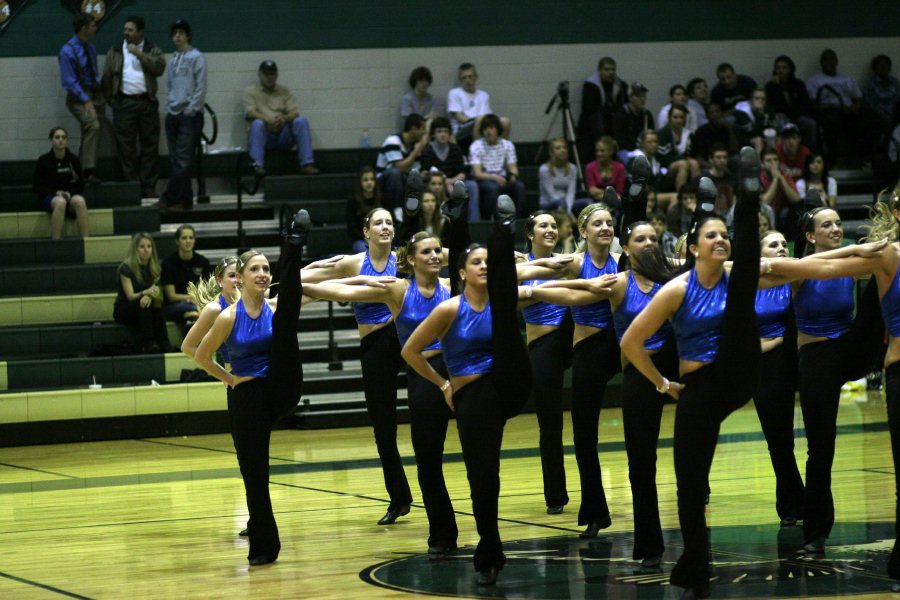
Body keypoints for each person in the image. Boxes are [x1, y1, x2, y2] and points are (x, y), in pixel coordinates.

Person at [620, 148, 764, 598]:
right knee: (689, 482)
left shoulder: (739, 274)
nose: (721, 241)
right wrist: (662, 383)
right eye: (712, 236)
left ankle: (748, 191)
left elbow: (795, 265)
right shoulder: (675, 289)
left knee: (742, 291)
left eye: (726, 235)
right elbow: (630, 343)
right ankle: (694, 561)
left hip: (737, 373)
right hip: (699, 385)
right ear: (694, 246)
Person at [303, 228, 465, 558]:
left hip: (458, 370)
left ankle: (482, 534)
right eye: (427, 252)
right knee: (419, 453)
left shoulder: (452, 286)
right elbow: (337, 288)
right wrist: (298, 278)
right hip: (412, 364)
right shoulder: (390, 284)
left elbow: (507, 279)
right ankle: (433, 525)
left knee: (477, 456)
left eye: (438, 251)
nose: (435, 256)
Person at [402, 197, 531, 586]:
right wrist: (442, 383)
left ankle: (502, 228)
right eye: (477, 261)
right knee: (484, 476)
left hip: (508, 381)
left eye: (490, 261)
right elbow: (410, 351)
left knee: (507, 310)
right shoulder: (449, 309)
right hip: (473, 396)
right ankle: (489, 551)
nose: (484, 266)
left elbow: (557, 289)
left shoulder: (505, 299)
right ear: (461, 271)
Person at [193, 211, 311, 566]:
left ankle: (294, 245)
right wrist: (229, 379)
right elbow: (201, 354)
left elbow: (308, 289)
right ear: (240, 279)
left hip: (281, 386)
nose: (262, 274)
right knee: (255, 473)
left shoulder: (277, 308)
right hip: (247, 396)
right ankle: (264, 546)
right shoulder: (228, 316)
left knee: (288, 317)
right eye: (255, 269)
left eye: (266, 269)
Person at [303, 208, 412, 524]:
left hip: (404, 337)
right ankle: (399, 498)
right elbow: (311, 279)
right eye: (378, 222)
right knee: (382, 425)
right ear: (366, 232)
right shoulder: (354, 262)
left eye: (389, 222)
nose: (385, 227)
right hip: (374, 346)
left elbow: (451, 259)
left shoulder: (405, 259)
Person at [101, 15, 166, 198]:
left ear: (140, 32)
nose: (126, 33)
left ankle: (148, 187)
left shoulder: (152, 49)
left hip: (146, 102)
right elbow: (106, 78)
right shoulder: (115, 51)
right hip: (124, 103)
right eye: (125, 30)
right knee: (126, 148)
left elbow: (159, 68)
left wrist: (139, 54)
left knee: (149, 147)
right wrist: (112, 101)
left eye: (130, 30)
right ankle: (132, 185)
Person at [157, 19, 207, 212]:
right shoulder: (173, 59)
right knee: (176, 160)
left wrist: (191, 110)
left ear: (188, 35)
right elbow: (169, 86)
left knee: (183, 160)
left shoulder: (197, 57)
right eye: (174, 33)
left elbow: (201, 87)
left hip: (190, 115)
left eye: (181, 32)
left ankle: (169, 198)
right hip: (173, 114)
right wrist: (171, 107)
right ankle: (185, 200)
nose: (177, 36)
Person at [243, 60, 318, 177]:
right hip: (265, 135)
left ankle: (307, 164)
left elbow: (294, 113)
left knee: (301, 122)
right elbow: (250, 113)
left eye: (272, 74)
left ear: (277, 75)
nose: (269, 77)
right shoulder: (251, 91)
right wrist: (267, 119)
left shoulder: (284, 91)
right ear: (259, 74)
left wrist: (284, 118)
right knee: (257, 124)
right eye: (266, 74)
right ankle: (257, 165)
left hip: (283, 134)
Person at [59, 12, 103, 185]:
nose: (95, 28)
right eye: (93, 25)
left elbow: (93, 72)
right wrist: (86, 100)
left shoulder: (90, 48)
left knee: (88, 132)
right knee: (93, 125)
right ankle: (89, 170)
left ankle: (79, 171)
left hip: (93, 93)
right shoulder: (67, 51)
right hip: (78, 97)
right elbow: (69, 82)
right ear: (83, 28)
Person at [113, 232, 169, 353]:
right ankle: (149, 343)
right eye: (142, 247)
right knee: (144, 304)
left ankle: (164, 343)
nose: (146, 250)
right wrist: (145, 293)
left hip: (144, 304)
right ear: (135, 249)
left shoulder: (155, 268)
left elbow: (157, 291)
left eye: (149, 246)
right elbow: (130, 296)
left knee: (156, 306)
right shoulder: (126, 268)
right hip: (124, 308)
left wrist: (148, 295)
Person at [32, 126, 90, 239]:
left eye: (63, 137)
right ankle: (56, 241)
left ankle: (86, 240)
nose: (60, 140)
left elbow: (80, 184)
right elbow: (36, 186)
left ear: (67, 140)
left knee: (80, 201)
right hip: (50, 198)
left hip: (69, 197)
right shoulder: (43, 161)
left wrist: (70, 193)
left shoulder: (73, 160)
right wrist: (55, 192)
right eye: (57, 137)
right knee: (60, 202)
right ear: (51, 140)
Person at [419, 117, 479, 220]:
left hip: (454, 180)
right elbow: (426, 172)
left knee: (472, 186)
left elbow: (463, 172)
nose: (443, 134)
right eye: (439, 131)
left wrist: (452, 182)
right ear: (433, 134)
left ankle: (474, 221)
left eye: (446, 131)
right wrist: (445, 183)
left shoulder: (455, 149)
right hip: (436, 182)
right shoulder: (428, 149)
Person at [469, 114, 525, 218]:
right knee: (493, 188)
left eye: (491, 128)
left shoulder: (507, 145)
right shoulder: (476, 146)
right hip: (485, 179)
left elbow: (513, 168)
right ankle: (491, 220)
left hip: (502, 177)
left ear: (497, 129)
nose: (488, 131)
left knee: (519, 186)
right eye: (485, 128)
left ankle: (517, 220)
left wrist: (512, 177)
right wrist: (495, 178)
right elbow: (477, 173)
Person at [376, 114, 428, 221]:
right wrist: (416, 152)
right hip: (383, 180)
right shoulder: (393, 141)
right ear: (413, 129)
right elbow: (400, 168)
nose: (424, 132)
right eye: (422, 129)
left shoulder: (415, 144)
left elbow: (414, 169)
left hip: (402, 178)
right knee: (395, 173)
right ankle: (396, 208)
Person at [160, 224, 211, 330]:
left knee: (196, 314)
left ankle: (191, 320)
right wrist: (190, 298)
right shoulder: (168, 263)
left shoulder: (203, 262)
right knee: (195, 309)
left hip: (198, 304)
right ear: (177, 241)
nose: (188, 241)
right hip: (173, 307)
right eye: (184, 238)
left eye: (191, 238)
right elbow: (171, 296)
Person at [578, 57, 629, 159]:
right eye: (607, 69)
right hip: (594, 122)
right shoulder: (590, 85)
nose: (610, 72)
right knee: (598, 118)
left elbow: (623, 106)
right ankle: (603, 147)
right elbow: (590, 109)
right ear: (599, 70)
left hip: (612, 119)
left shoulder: (621, 85)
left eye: (613, 69)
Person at [765, 55, 817, 151]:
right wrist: (777, 87)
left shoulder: (799, 84)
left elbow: (805, 104)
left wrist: (793, 115)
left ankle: (811, 154)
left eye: (784, 68)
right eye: (778, 68)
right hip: (780, 117)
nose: (780, 70)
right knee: (780, 120)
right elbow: (771, 106)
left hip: (798, 116)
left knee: (810, 123)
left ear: (790, 69)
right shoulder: (770, 86)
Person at [447, 62, 510, 142]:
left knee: (505, 121)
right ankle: (477, 150)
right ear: (460, 80)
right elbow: (460, 118)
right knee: (480, 119)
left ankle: (501, 150)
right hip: (461, 128)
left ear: (476, 77)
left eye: (470, 77)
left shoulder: (484, 95)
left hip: (482, 124)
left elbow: (487, 116)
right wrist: (477, 121)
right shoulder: (454, 93)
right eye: (464, 78)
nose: (467, 80)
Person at [657, 105, 702, 193]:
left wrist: (684, 158)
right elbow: (664, 158)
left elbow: (690, 154)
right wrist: (682, 158)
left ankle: (697, 196)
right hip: (664, 170)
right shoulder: (663, 133)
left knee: (694, 163)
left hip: (682, 164)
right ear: (670, 118)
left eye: (681, 117)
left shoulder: (688, 134)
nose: (678, 120)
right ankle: (681, 197)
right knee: (683, 164)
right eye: (675, 117)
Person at [539, 138, 582, 214]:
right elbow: (551, 195)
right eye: (558, 148)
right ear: (551, 152)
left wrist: (568, 211)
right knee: (560, 203)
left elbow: (571, 193)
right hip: (548, 203)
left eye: (564, 147)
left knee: (589, 203)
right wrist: (566, 211)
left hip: (566, 203)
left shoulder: (572, 168)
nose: (562, 150)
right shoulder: (544, 169)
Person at [612, 82, 653, 161]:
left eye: (644, 96)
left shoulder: (647, 115)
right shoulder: (621, 115)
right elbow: (620, 141)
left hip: (644, 150)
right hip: (626, 150)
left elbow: (652, 134)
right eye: (638, 96)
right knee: (635, 164)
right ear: (630, 98)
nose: (642, 99)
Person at [346, 166, 381, 253]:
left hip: (381, 238)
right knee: (363, 250)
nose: (369, 182)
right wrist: (367, 237)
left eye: (372, 179)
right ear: (360, 182)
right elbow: (351, 229)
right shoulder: (353, 202)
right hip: (361, 240)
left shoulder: (382, 199)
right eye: (365, 180)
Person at [585, 136, 627, 204]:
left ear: (611, 151)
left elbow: (619, 192)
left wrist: (600, 192)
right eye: (597, 150)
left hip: (615, 202)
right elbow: (592, 191)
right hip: (595, 201)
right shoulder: (590, 167)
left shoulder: (620, 167)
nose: (599, 153)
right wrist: (611, 194)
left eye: (602, 151)